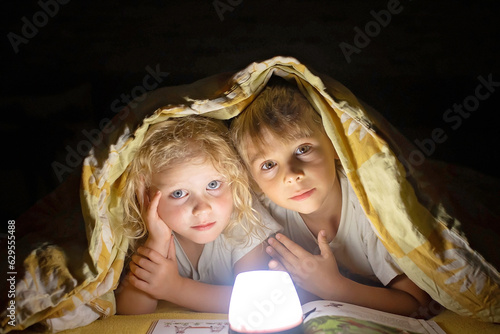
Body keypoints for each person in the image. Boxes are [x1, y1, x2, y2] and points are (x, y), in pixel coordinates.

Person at [230, 78, 434, 318]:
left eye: (303, 149)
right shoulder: (262, 211)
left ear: (335, 146)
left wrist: (333, 288)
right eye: (269, 164)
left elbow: (417, 303)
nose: (292, 175)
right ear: (254, 181)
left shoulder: (369, 207)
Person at [115, 115, 281, 315]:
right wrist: (157, 240)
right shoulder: (153, 231)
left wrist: (175, 289)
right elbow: (130, 312)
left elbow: (256, 300)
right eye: (178, 193)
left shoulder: (244, 218)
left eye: (213, 185)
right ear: (146, 196)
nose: (202, 209)